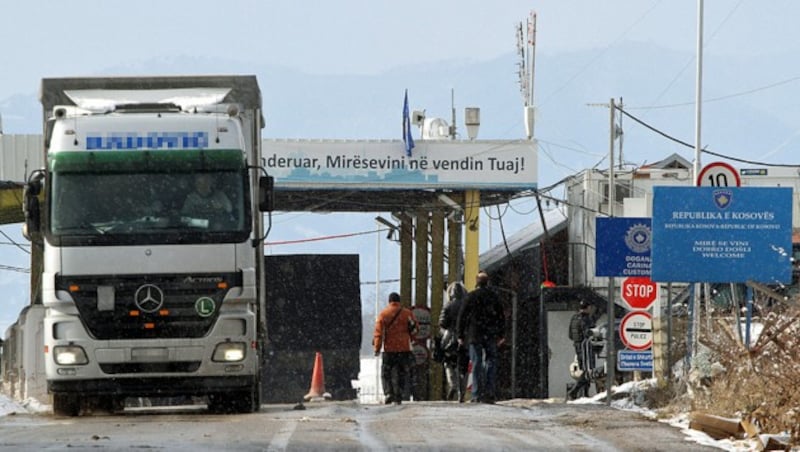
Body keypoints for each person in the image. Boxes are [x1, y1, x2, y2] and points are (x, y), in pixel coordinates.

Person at [457, 271, 506, 404]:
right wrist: (501, 334)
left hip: (474, 334)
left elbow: (462, 316)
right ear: (488, 282)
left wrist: (460, 335)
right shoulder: (494, 296)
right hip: (490, 333)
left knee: (477, 362)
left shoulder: (470, 296)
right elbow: (501, 316)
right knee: (491, 361)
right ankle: (489, 393)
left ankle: (477, 394)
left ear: (476, 282)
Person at [373, 292, 418, 405]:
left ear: (389, 301)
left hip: (389, 349)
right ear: (399, 301)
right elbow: (415, 329)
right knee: (402, 373)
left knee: (386, 373)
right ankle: (399, 394)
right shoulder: (407, 313)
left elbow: (378, 334)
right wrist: (410, 338)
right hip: (404, 349)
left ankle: (388, 393)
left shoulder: (383, 314)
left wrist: (377, 348)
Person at [439, 281, 470, 402]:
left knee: (448, 363)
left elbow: (442, 322)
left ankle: (453, 384)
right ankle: (461, 392)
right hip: (464, 339)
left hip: (450, 337)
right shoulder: (467, 305)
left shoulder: (448, 305)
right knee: (464, 366)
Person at [567, 299, 595, 400]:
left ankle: (585, 394)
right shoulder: (586, 319)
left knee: (584, 369)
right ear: (587, 308)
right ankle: (574, 391)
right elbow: (588, 333)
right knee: (587, 370)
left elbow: (570, 334)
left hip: (577, 346)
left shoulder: (574, 318)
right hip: (586, 347)